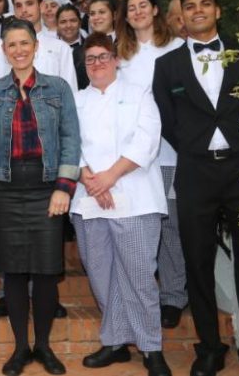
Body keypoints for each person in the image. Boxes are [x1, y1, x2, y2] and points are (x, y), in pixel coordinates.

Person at [152, 0, 239, 376]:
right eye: (190, 6)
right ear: (182, 17)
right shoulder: (167, 66)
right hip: (195, 174)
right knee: (197, 262)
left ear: (218, 11)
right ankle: (209, 348)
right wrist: (195, 148)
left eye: (205, 4)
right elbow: (167, 120)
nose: (198, 11)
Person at [0, 17, 80, 376]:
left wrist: (64, 187)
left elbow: (71, 139)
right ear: (3, 50)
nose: (18, 50)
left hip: (47, 188)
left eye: (24, 43)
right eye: (11, 45)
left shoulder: (58, 88)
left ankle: (43, 346)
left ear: (36, 46)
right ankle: (21, 348)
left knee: (47, 272)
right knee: (14, 272)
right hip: (4, 188)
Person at [71, 33, 172, 376]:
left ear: (115, 60)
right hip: (89, 198)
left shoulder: (140, 93)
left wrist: (110, 176)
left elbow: (147, 140)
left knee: (139, 275)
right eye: (90, 59)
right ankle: (115, 341)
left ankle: (150, 346)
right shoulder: (77, 100)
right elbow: (67, 143)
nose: (97, 63)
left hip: (135, 197)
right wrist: (89, 178)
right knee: (100, 272)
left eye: (103, 56)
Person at [115, 0, 188, 328]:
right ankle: (142, 294)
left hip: (169, 151)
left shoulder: (175, 48)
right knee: (140, 226)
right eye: (131, 8)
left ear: (155, 10)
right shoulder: (120, 53)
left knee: (170, 225)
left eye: (143, 5)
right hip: (133, 157)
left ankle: (173, 295)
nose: (138, 12)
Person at [56, 4, 89, 90]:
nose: (68, 25)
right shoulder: (48, 51)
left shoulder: (91, 47)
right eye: (63, 22)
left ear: (80, 23)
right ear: (57, 25)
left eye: (73, 20)